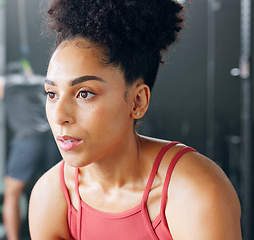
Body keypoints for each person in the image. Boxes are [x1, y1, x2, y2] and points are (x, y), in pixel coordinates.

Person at [28, 0, 242, 239]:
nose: (59, 116)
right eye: (52, 94)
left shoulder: (194, 189)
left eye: (84, 93)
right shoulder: (51, 195)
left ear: (137, 101)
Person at [0, 60, 60, 240]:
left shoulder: (3, 83)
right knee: (57, 192)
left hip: (28, 143)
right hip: (52, 141)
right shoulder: (40, 80)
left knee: (12, 194)